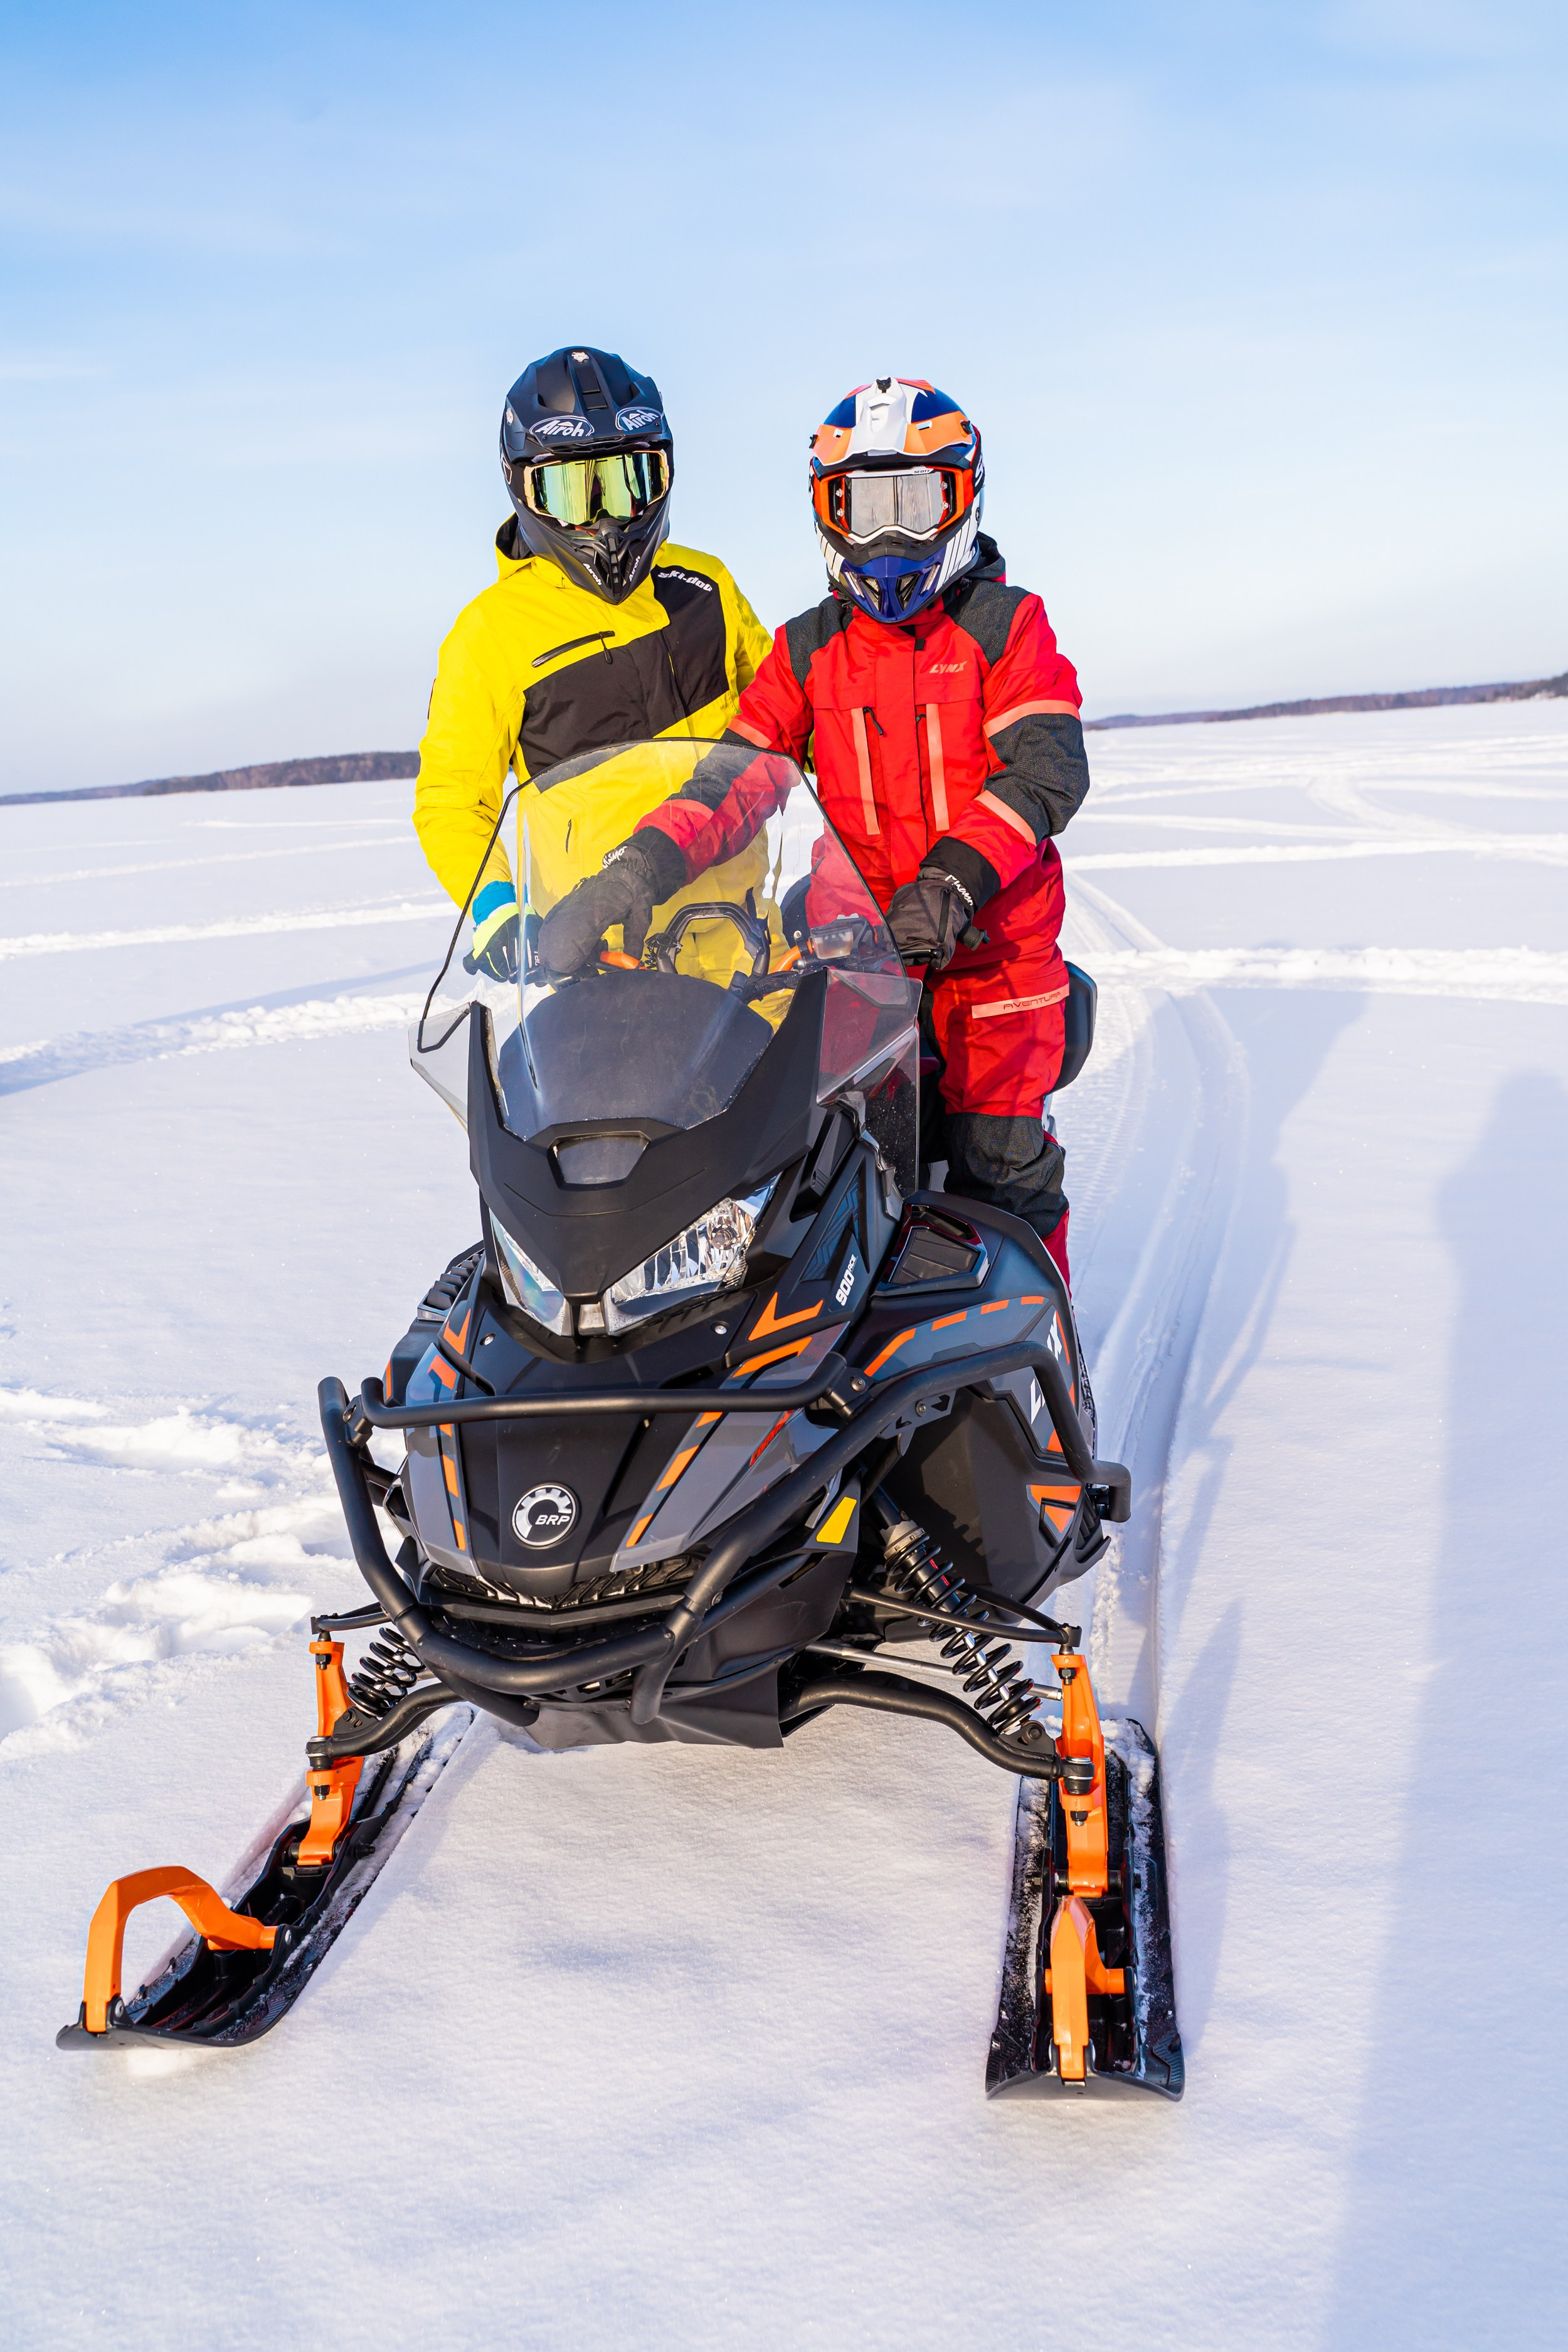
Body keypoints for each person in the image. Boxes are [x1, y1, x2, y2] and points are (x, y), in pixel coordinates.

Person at [539, 376, 1089, 1283]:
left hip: (992, 959)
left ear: (961, 500)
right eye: (862, 508)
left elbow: (1044, 770)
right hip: (859, 958)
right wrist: (629, 875)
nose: (888, 536)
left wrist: (951, 882)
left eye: (916, 503)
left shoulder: (1005, 626)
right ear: (827, 513)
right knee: (828, 1166)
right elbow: (730, 782)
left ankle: (1040, 1341)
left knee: (1000, 1166)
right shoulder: (807, 649)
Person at [413, 344, 772, 978]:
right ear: (524, 487)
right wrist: (497, 910)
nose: (607, 521)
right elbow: (453, 799)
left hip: (747, 942)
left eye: (630, 483)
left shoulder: (705, 586)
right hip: (602, 963)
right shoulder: (490, 634)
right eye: (575, 492)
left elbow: (785, 720)